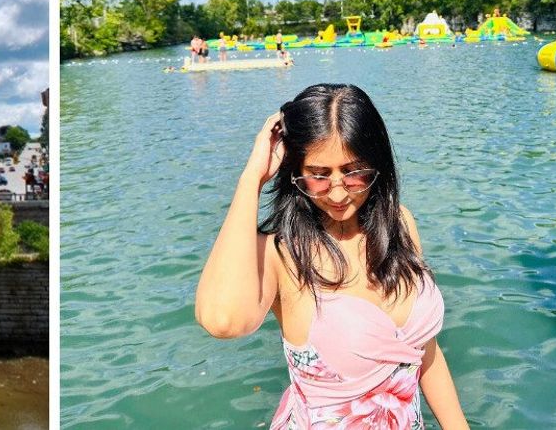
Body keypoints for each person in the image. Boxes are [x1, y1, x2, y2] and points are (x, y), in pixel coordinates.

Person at [195, 84, 467, 429]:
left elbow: (422, 351)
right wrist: (251, 179)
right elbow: (222, 321)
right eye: (319, 176)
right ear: (296, 172)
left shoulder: (399, 224)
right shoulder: (282, 254)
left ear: (376, 163)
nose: (338, 192)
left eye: (353, 172)